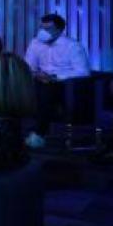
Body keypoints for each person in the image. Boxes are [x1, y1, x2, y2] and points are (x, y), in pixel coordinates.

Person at [24, 13, 90, 148]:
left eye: (48, 29)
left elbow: (83, 71)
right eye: (41, 28)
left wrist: (55, 77)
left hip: (64, 85)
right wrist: (36, 74)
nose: (43, 32)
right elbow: (28, 66)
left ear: (60, 30)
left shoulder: (72, 46)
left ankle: (39, 133)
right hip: (40, 80)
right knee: (33, 84)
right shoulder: (35, 43)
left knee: (47, 87)